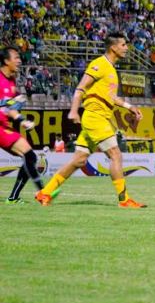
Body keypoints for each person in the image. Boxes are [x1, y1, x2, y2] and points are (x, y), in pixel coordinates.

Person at [35, 32, 147, 208]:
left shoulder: (111, 69)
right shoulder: (99, 64)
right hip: (95, 117)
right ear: (113, 47)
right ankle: (124, 200)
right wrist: (73, 111)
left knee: (79, 160)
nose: (126, 48)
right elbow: (80, 87)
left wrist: (129, 106)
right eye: (123, 45)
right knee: (115, 154)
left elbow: (111, 97)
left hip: (98, 118)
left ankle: (45, 192)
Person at [1, 46, 46, 204]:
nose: (19, 61)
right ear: (6, 61)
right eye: (16, 58)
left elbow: (10, 109)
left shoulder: (12, 80)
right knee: (29, 157)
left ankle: (17, 197)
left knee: (30, 157)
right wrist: (16, 111)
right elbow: (6, 106)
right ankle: (42, 192)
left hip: (3, 127)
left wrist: (20, 115)